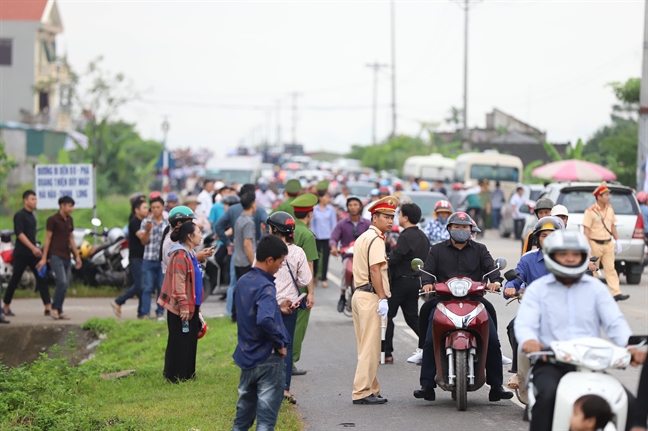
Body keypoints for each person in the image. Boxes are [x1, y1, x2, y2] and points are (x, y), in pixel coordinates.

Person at [514, 229, 645, 431]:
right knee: (547, 397)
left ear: (583, 257)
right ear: (551, 256)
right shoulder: (537, 290)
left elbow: (615, 322)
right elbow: (524, 323)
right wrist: (529, 340)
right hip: (551, 363)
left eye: (575, 254)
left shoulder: (596, 288)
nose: (569, 258)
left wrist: (629, 344)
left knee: (626, 401)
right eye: (563, 254)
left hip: (590, 364)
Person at [413, 211, 512, 402]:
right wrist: (426, 282)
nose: (461, 230)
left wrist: (495, 281)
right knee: (428, 330)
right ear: (449, 229)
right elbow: (427, 270)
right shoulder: (437, 249)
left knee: (491, 337)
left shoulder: (480, 249)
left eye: (465, 227)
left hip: (474, 300)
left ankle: (496, 386)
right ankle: (426, 385)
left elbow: (491, 268)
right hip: (443, 300)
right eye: (457, 227)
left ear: (471, 230)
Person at [232, 235, 292, 431]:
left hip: (247, 355)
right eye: (280, 262)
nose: (280, 266)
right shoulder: (266, 286)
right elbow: (264, 319)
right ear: (269, 260)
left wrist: (276, 308)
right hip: (268, 359)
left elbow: (252, 311)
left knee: (241, 421)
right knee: (265, 423)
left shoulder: (243, 281)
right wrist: (280, 341)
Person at [503, 216, 562, 392]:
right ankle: (519, 372)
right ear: (537, 238)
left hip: (562, 313)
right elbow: (516, 277)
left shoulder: (569, 257)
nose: (549, 239)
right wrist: (509, 287)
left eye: (553, 235)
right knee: (514, 327)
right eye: (544, 235)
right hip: (534, 313)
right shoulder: (528, 259)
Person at [351, 195, 398, 405]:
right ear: (374, 217)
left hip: (360, 294)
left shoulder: (363, 237)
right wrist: (382, 298)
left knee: (366, 346)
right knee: (370, 348)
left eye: (392, 217)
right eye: (386, 216)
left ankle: (372, 387)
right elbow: (375, 269)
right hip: (370, 296)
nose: (390, 221)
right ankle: (361, 391)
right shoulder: (376, 239)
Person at [266, 211, 312, 404]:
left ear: (275, 230)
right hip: (291, 306)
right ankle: (284, 389)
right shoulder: (298, 252)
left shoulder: (265, 249)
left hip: (268, 304)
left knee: (266, 344)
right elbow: (304, 279)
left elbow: (255, 271)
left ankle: (266, 387)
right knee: (286, 345)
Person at [158, 221, 204, 383]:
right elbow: (179, 284)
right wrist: (184, 306)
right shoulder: (179, 255)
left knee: (190, 340)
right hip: (181, 307)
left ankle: (188, 374)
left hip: (192, 305)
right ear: (190, 237)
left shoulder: (189, 253)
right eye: (198, 232)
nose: (200, 235)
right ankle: (175, 377)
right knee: (180, 341)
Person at [215, 184, 269, 318]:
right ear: (253, 201)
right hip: (249, 255)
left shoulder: (235, 212)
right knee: (250, 288)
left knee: (234, 286)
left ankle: (231, 313)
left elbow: (218, 226)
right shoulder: (255, 215)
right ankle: (245, 315)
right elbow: (248, 243)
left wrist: (227, 242)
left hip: (236, 254)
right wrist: (264, 241)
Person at [384, 203, 429, 363]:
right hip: (415, 282)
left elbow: (396, 257)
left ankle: (387, 353)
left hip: (400, 282)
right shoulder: (423, 236)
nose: (397, 218)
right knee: (412, 318)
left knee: (388, 316)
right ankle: (428, 345)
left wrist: (386, 258)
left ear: (406, 217)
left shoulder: (405, 236)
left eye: (399, 214)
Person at [2, 190, 51, 320]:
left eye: (36, 199)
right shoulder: (20, 215)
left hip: (33, 253)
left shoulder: (32, 216)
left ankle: (48, 307)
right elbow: (20, 234)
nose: (35, 202)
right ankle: (6, 306)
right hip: (22, 252)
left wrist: (36, 248)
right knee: (15, 278)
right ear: (26, 200)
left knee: (41, 277)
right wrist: (32, 247)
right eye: (32, 199)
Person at [37, 196, 82, 320]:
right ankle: (54, 308)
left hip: (66, 255)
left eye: (72, 206)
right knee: (61, 281)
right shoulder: (53, 220)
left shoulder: (69, 220)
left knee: (65, 284)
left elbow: (71, 238)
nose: (71, 208)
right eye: (69, 206)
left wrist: (77, 256)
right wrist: (44, 258)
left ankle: (60, 309)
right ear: (62, 205)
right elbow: (48, 238)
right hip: (55, 254)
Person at [582, 181, 628, 301]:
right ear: (599, 196)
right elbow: (586, 229)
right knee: (594, 270)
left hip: (608, 243)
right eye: (606, 195)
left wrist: (617, 240)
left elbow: (612, 226)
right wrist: (586, 245)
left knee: (611, 269)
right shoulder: (590, 211)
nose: (609, 197)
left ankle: (616, 293)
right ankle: (593, 294)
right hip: (594, 243)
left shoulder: (610, 209)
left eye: (608, 194)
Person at [289, 193, 319, 376]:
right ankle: (290, 361)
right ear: (310, 213)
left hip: (281, 283)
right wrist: (311, 292)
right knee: (298, 325)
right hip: (298, 288)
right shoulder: (307, 234)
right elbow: (309, 265)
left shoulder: (287, 229)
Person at [330, 196, 371, 312]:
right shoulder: (342, 224)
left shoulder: (367, 223)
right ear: (347, 207)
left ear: (360, 207)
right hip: (348, 256)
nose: (353, 207)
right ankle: (342, 295)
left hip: (364, 256)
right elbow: (333, 238)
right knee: (344, 270)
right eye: (350, 205)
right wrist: (333, 247)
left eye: (355, 205)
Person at [112, 197, 148, 318]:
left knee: (144, 286)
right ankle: (119, 301)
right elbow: (143, 239)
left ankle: (142, 313)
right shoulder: (134, 222)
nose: (147, 210)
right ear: (136, 210)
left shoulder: (144, 221)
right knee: (140, 285)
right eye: (144, 208)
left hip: (144, 257)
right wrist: (149, 231)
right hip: (136, 258)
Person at [139, 196, 169, 320]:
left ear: (163, 208)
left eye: (158, 207)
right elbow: (143, 242)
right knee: (147, 287)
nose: (156, 210)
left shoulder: (168, 223)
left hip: (162, 260)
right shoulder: (146, 222)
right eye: (153, 207)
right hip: (149, 258)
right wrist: (147, 231)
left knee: (162, 287)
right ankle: (145, 313)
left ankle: (160, 312)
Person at [311, 192, 337, 288]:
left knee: (326, 258)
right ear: (320, 198)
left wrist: (333, 237)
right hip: (316, 236)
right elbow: (312, 223)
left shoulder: (331, 209)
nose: (327, 199)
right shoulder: (315, 209)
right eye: (326, 197)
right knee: (315, 258)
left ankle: (324, 278)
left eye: (328, 197)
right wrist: (312, 234)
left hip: (327, 237)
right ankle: (314, 277)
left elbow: (333, 224)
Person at [233, 192, 257, 280]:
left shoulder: (239, 219)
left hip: (238, 262)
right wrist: (254, 264)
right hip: (246, 263)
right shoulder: (248, 222)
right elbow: (247, 245)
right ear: (253, 204)